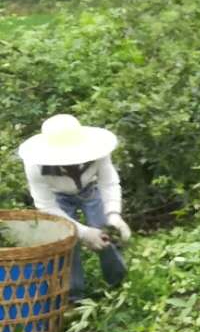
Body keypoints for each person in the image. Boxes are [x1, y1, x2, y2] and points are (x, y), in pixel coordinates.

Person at [18, 114, 130, 300]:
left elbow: (108, 182)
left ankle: (118, 284)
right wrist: (84, 233)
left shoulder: (98, 151)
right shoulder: (34, 165)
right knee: (66, 240)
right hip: (57, 198)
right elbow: (46, 206)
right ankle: (73, 297)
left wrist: (113, 214)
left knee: (106, 231)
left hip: (89, 189)